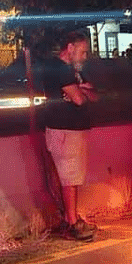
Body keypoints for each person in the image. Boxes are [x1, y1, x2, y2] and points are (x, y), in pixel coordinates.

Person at [41, 30, 100, 241]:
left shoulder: (73, 71)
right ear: (70, 48)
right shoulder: (59, 69)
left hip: (72, 131)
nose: (85, 57)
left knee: (73, 178)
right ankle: (72, 223)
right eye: (83, 52)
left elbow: (92, 95)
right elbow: (79, 100)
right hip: (63, 131)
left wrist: (83, 90)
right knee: (68, 178)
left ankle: (72, 218)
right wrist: (81, 91)